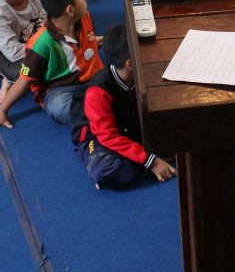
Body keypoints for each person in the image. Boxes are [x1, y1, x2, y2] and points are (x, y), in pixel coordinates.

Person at [0, 0, 103, 129]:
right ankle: (99, 111)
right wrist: (1, 112)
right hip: (61, 88)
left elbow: (85, 45)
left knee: (117, 77)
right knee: (58, 108)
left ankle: (95, 109)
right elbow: (24, 81)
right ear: (70, 10)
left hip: (93, 76)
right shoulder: (40, 44)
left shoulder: (85, 17)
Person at [71, 24, 176, 190]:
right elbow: (108, 136)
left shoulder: (140, 73)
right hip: (98, 137)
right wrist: (151, 161)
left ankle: (142, 157)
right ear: (130, 64)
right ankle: (148, 159)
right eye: (144, 51)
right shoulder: (98, 90)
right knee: (106, 171)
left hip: (131, 129)